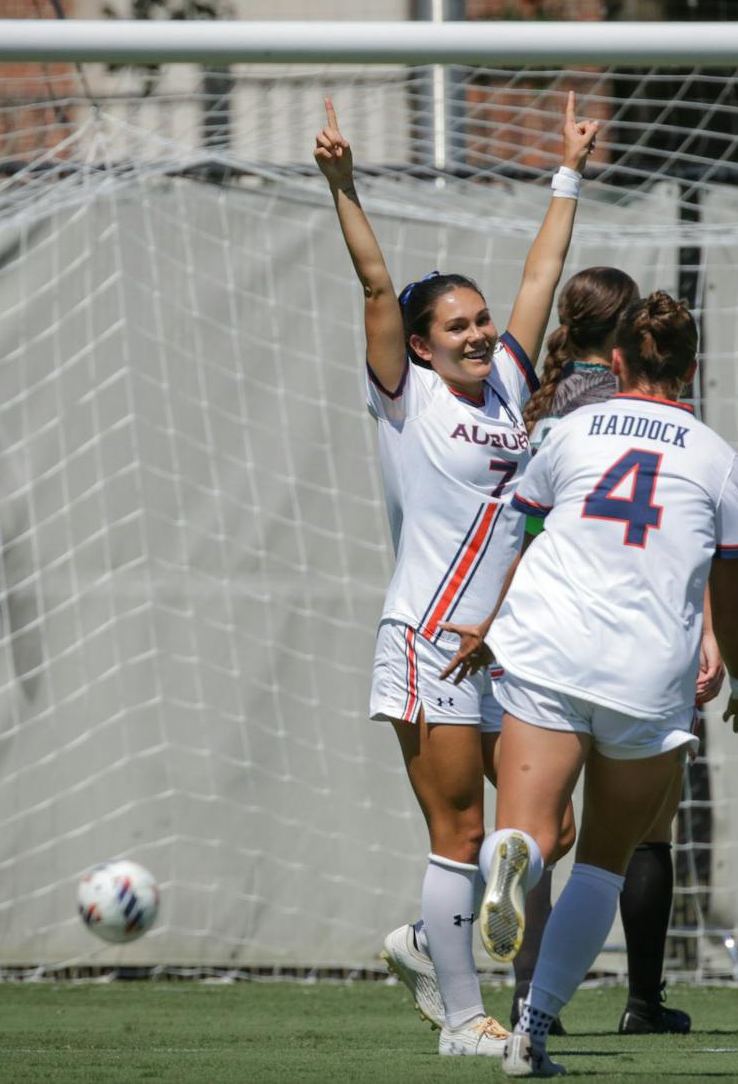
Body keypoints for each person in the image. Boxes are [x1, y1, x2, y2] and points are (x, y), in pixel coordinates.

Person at [314, 93, 599, 1057]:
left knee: (545, 828)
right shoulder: (408, 399)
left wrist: (568, 170)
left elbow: (542, 273)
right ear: (421, 341)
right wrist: (345, 187)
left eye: (482, 321)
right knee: (463, 830)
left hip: (509, 645)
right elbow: (373, 280)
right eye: (459, 326)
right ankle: (466, 1018)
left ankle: (508, 1003)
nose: (479, 334)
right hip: (433, 642)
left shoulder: (514, 382)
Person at [442, 292, 738, 1077]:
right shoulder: (718, 458)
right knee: (603, 859)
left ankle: (511, 855)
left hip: (547, 648)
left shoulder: (566, 431)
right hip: (645, 674)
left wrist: (487, 625)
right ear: (691, 368)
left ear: (619, 362)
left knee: (534, 837)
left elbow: (517, 536)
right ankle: (531, 1035)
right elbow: (730, 603)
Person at [512, 267, 724, 1036]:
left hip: (537, 632)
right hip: (636, 642)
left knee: (537, 830)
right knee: (632, 835)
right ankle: (639, 997)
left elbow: (523, 522)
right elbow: (674, 537)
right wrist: (711, 635)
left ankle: (522, 990)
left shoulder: (545, 402)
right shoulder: (635, 415)